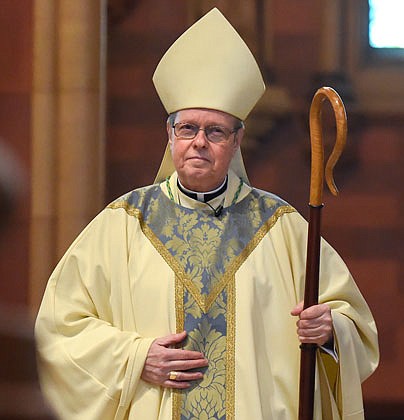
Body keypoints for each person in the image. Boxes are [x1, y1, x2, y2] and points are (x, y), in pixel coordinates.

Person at [34, 8, 379, 420]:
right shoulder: (124, 223)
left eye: (215, 131)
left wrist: (329, 332)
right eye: (187, 129)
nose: (199, 142)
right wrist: (135, 357)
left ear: (236, 141)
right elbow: (58, 330)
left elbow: (351, 323)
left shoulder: (281, 228)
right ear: (170, 134)